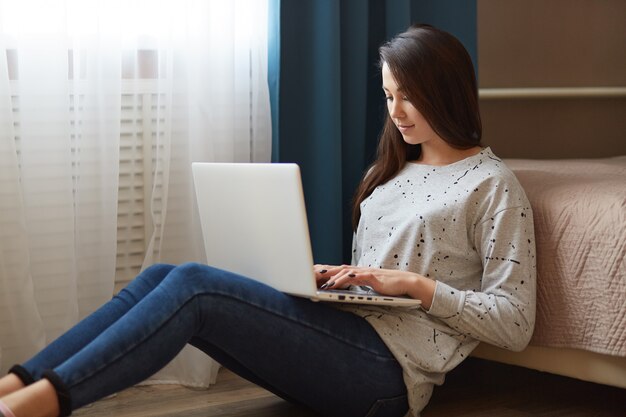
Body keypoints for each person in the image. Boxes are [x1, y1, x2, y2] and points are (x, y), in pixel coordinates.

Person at [0, 24, 536, 417]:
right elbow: (381, 275)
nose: (396, 112)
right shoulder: (391, 172)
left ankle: (40, 404)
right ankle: (16, 383)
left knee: (192, 284)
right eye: (389, 96)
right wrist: (343, 278)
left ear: (446, 89)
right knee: (164, 274)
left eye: (409, 96)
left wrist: (417, 286)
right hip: (348, 334)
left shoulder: (492, 186)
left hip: (387, 376)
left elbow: (514, 323)